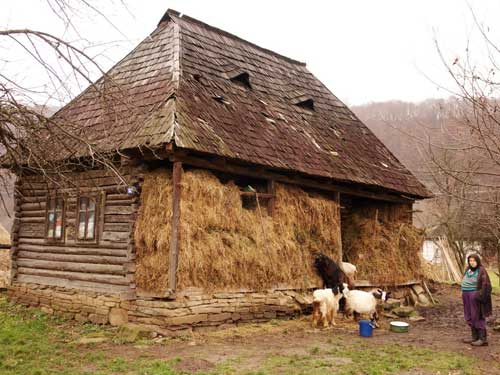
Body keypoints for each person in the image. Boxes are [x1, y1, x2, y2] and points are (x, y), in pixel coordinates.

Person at [461, 253, 492, 346]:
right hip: (466, 295)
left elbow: (486, 285)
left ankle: (483, 339)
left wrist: (478, 295)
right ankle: (474, 337)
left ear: (477, 261)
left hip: (475, 295)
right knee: (469, 315)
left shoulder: (481, 270)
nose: (472, 262)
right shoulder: (468, 269)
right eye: (470, 261)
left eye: (474, 260)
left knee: (477, 315)